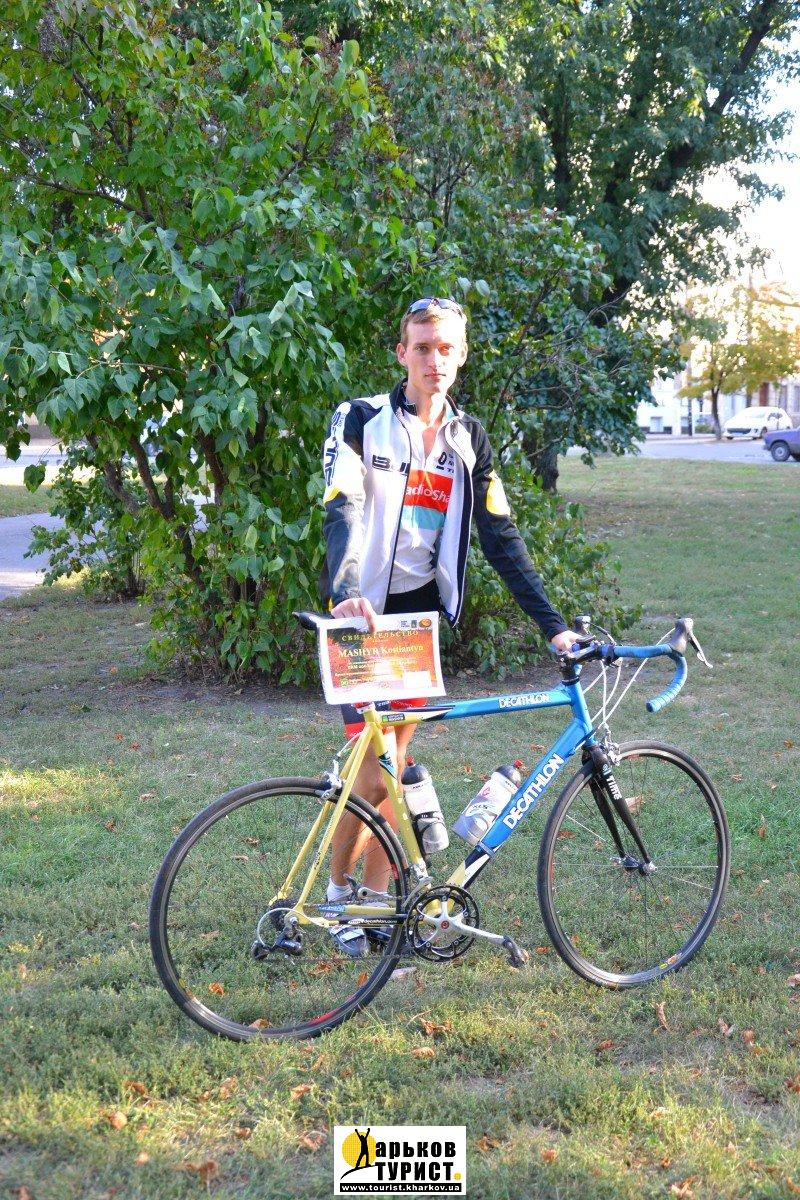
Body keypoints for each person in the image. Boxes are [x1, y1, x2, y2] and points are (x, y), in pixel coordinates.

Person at [320, 296, 575, 954]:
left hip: (415, 620)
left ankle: (379, 907)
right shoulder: (361, 419)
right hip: (361, 617)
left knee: (394, 769)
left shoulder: (469, 438)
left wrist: (553, 626)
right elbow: (343, 506)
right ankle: (337, 898)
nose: (434, 359)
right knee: (370, 773)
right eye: (422, 347)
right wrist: (346, 591)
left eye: (446, 348)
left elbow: (500, 536)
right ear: (402, 353)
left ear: (461, 356)